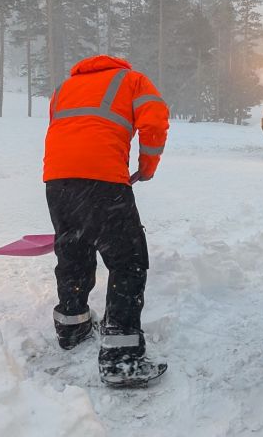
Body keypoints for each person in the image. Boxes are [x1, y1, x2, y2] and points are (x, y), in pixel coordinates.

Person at [43, 54, 169, 387]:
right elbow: (155, 120)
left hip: (57, 182)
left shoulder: (65, 87)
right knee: (128, 261)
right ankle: (121, 358)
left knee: (74, 249)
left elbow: (62, 128)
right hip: (103, 182)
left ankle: (72, 324)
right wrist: (147, 167)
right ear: (118, 64)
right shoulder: (131, 80)